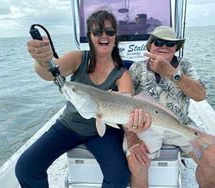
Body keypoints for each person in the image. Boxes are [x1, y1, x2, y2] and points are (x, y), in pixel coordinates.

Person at [15, 10, 151, 188]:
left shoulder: (122, 74)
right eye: (97, 32)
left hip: (102, 132)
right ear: (89, 36)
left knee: (119, 177)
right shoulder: (78, 58)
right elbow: (50, 74)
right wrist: (42, 60)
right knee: (26, 167)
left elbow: (128, 107)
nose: (104, 36)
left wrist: (133, 138)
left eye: (109, 32)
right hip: (69, 125)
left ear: (115, 37)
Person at [124, 26, 215, 188]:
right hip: (147, 126)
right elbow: (126, 104)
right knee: (136, 161)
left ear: (176, 47)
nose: (163, 46)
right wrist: (132, 138)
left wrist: (171, 72)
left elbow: (200, 95)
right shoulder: (137, 68)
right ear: (150, 45)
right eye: (158, 42)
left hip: (181, 123)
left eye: (170, 44)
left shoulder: (185, 66)